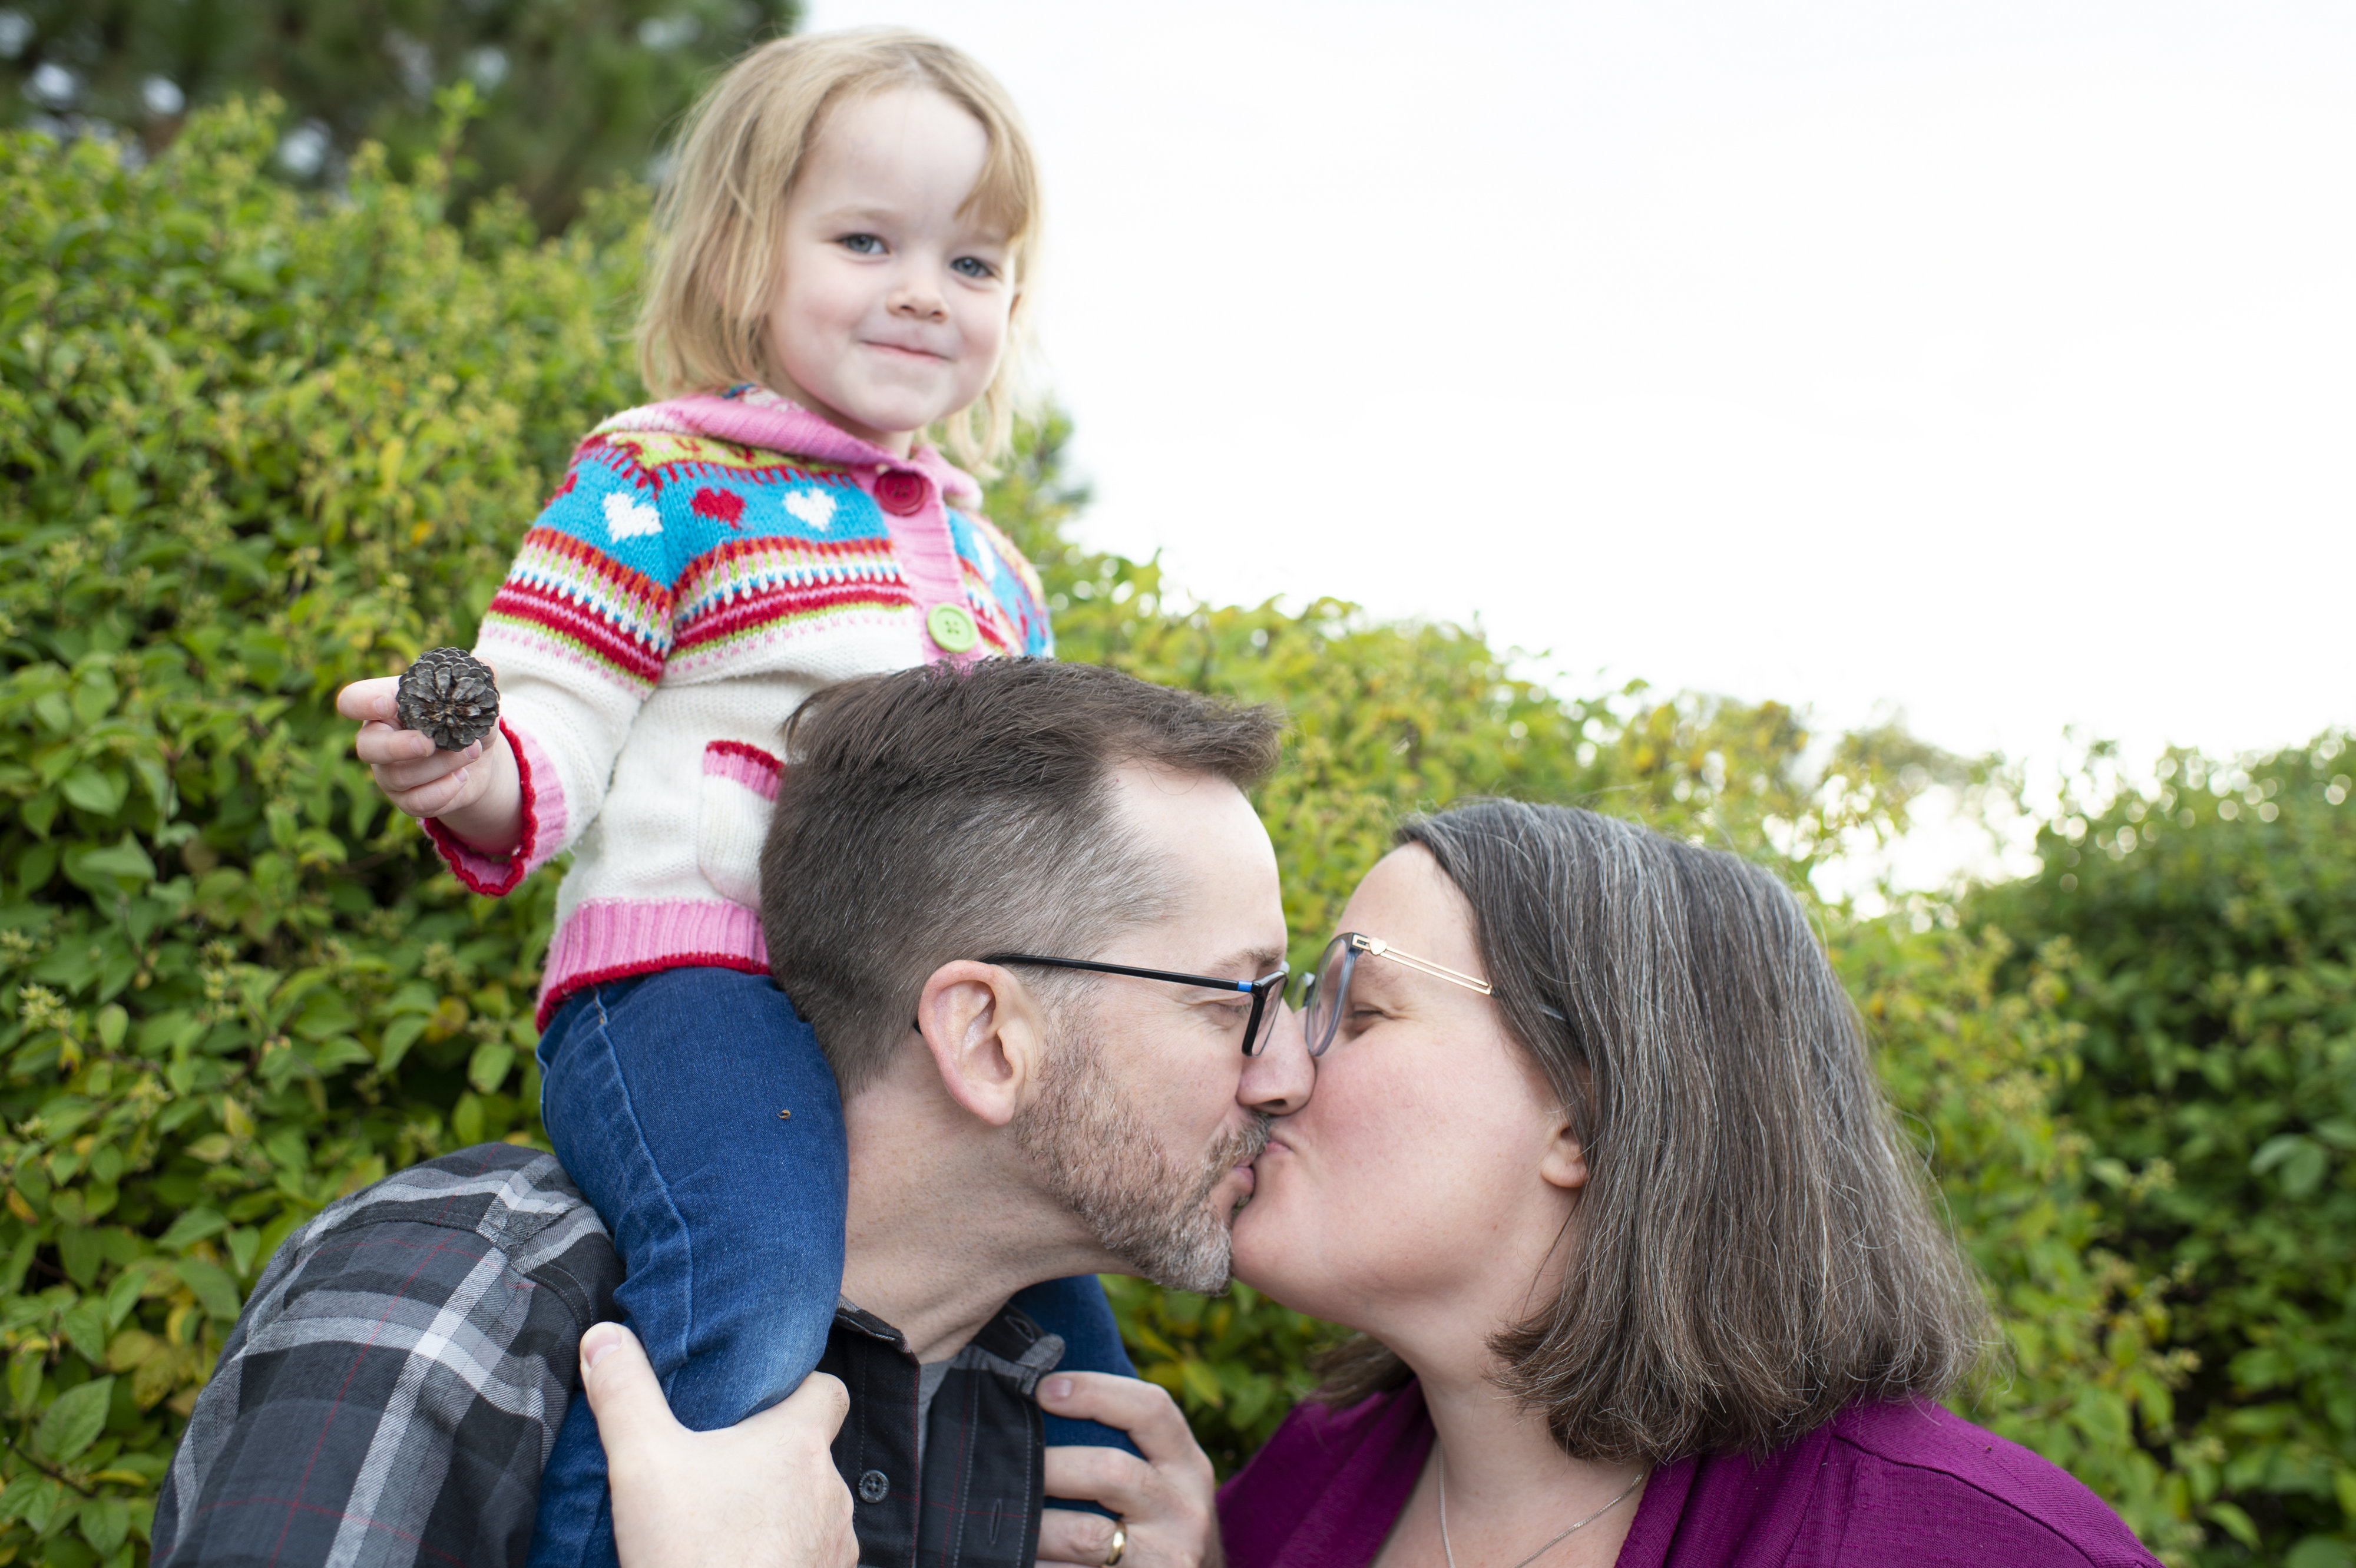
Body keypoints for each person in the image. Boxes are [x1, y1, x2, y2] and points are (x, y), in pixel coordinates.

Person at [323, 28, 1136, 1566]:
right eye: (866, 239)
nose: (922, 289)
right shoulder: (666, 478)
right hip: (693, 978)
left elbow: (1036, 836)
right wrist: (476, 767)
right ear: (742, 249)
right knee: (751, 1277)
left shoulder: (998, 572)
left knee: (1077, 1338)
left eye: (973, 260)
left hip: (907, 1022)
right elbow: (553, 710)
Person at [153, 659, 1296, 1568]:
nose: (1287, 1066)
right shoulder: (452, 1310)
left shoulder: (1059, 1424)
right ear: (988, 1038)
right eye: (1235, 998)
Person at [1213, 800, 2166, 1568]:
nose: (1275, 1068)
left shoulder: (1981, 1547)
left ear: (1582, 1110)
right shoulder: (1297, 1484)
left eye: (1363, 1010)